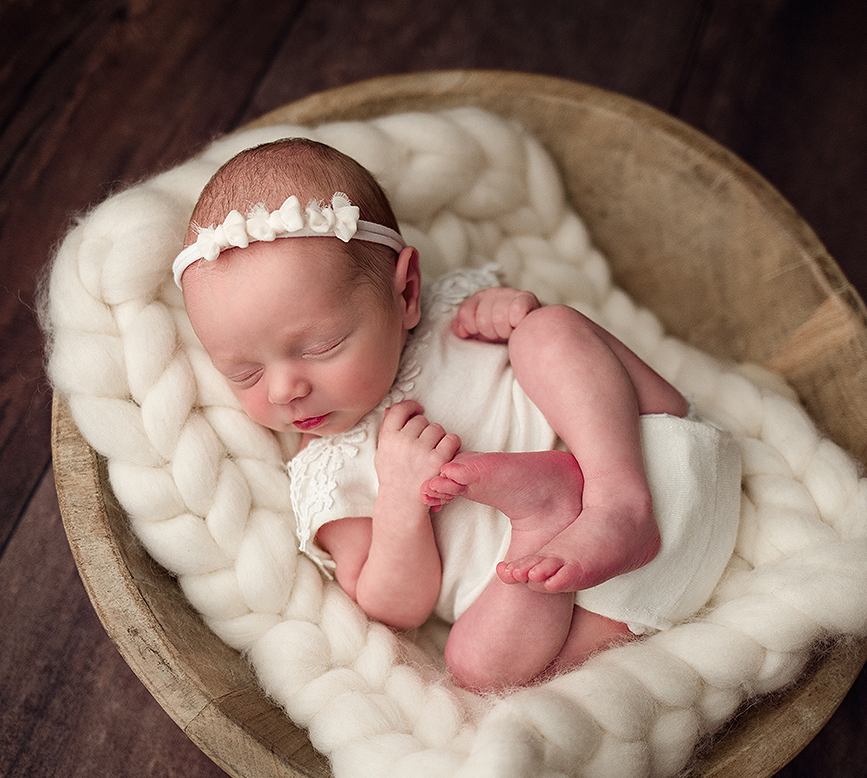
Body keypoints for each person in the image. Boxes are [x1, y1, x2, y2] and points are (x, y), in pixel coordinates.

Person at [172, 138, 740, 691]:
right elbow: (395, 607)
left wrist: (516, 314)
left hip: (660, 456)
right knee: (473, 666)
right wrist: (398, 501)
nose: (285, 389)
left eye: (319, 347)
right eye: (244, 373)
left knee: (550, 332)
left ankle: (617, 499)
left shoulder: (454, 314)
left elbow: (578, 367)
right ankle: (544, 514)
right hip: (599, 604)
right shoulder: (328, 469)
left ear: (407, 292)